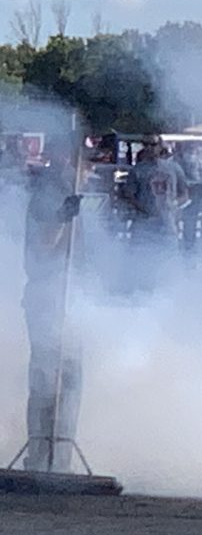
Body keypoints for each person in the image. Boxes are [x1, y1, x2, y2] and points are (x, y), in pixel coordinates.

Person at [21, 147, 84, 473]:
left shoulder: (61, 193)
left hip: (70, 298)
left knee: (69, 378)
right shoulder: (46, 198)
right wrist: (62, 218)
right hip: (47, 297)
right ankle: (41, 456)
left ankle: (59, 457)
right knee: (47, 378)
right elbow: (43, 248)